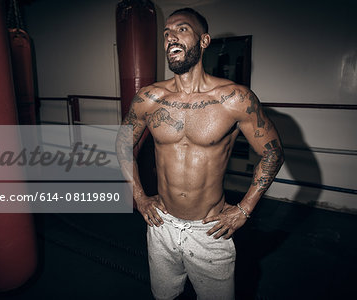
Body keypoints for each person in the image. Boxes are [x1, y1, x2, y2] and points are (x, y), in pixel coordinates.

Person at [116, 7, 284, 300]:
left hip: (210, 230)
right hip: (161, 226)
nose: (171, 38)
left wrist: (244, 209)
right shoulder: (149, 98)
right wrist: (139, 197)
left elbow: (272, 153)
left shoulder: (235, 98)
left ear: (204, 41)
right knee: (164, 296)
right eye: (166, 34)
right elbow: (121, 144)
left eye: (181, 30)